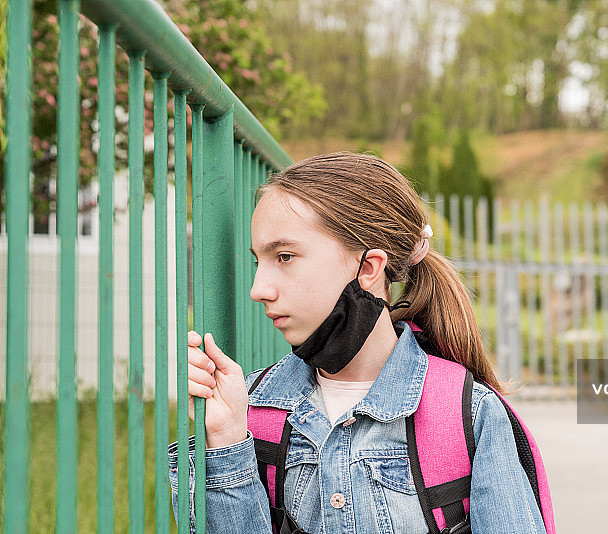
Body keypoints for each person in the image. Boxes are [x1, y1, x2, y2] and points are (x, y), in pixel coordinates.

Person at [168, 152, 547, 533]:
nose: (258, 289)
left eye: (284, 256)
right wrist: (226, 440)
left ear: (368, 268)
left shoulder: (469, 413)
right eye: (258, 262)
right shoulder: (249, 410)